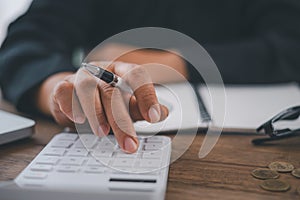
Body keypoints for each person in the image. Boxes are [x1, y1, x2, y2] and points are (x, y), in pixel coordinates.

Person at [0, 0, 300, 153]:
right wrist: (62, 91)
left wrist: (173, 63)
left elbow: (292, 40)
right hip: (100, 137)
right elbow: (27, 42)